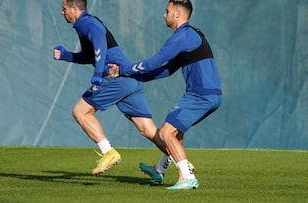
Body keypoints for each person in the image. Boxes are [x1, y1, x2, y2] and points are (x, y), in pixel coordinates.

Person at [108, 0, 222, 190]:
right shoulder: (190, 36)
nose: (164, 14)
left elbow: (153, 63)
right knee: (176, 133)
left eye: (167, 11)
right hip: (210, 95)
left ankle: (187, 177)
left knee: (166, 132)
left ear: (177, 14)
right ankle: (159, 169)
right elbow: (167, 69)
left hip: (200, 95)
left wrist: (123, 70)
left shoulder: (183, 36)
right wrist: (139, 78)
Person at [53, 0, 169, 176]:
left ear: (75, 9)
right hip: (130, 80)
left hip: (116, 78)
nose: (62, 12)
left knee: (80, 112)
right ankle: (184, 164)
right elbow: (89, 56)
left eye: (64, 9)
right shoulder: (83, 25)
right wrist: (66, 55)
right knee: (147, 129)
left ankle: (108, 152)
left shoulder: (86, 22)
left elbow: (100, 41)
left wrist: (98, 74)